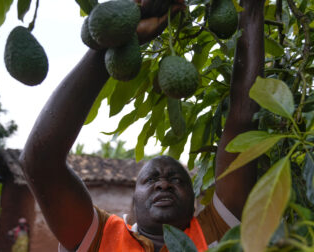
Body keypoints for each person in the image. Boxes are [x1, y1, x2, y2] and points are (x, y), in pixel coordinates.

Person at [19, 0, 263, 251]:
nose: (164, 184)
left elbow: (244, 119)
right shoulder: (101, 236)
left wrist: (251, 7)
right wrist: (110, 44)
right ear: (132, 203)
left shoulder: (216, 230)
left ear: (195, 202)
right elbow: (40, 162)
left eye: (177, 180)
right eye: (151, 179)